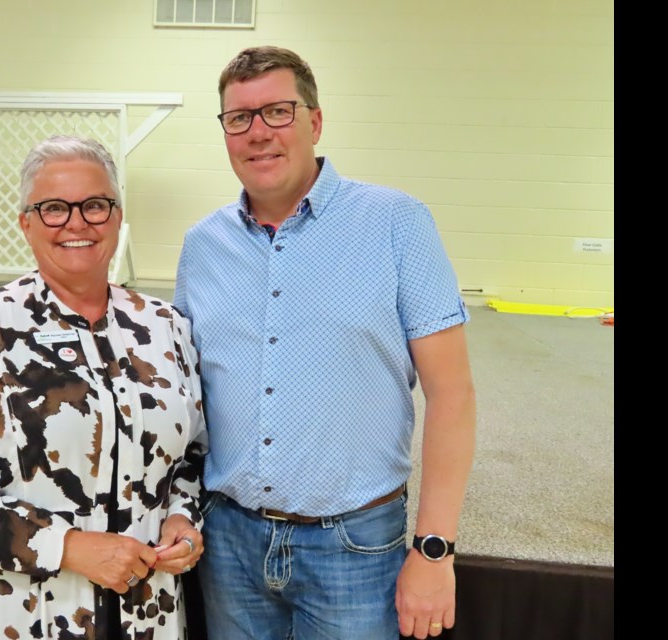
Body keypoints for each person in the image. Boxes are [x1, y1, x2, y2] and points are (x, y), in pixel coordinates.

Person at [173, 46, 476, 640]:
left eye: (278, 112)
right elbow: (185, 399)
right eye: (239, 118)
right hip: (229, 541)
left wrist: (435, 550)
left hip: (354, 546)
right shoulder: (201, 246)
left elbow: (453, 395)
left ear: (315, 120)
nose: (258, 133)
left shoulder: (397, 223)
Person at [0, 134, 208, 640]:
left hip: (140, 613)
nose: (78, 222)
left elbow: (191, 453)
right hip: (4, 615)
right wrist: (70, 547)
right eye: (55, 208)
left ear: (118, 216)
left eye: (95, 206)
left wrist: (181, 519)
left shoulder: (165, 327)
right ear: (26, 223)